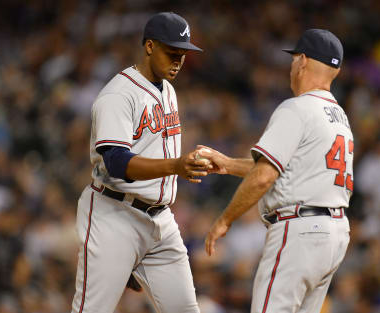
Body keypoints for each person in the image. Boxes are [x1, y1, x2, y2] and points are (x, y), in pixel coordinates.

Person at [202, 29, 353, 313]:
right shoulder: (339, 116)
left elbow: (265, 176)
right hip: (333, 233)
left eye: (294, 59)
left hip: (299, 231)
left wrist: (225, 220)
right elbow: (283, 167)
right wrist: (227, 164)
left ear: (303, 61)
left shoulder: (297, 108)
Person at [71, 12, 208, 313]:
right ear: (149, 46)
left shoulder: (167, 89)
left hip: (160, 221)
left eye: (183, 55)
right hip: (114, 215)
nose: (178, 62)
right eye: (172, 53)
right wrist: (175, 166)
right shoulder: (118, 95)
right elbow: (117, 162)